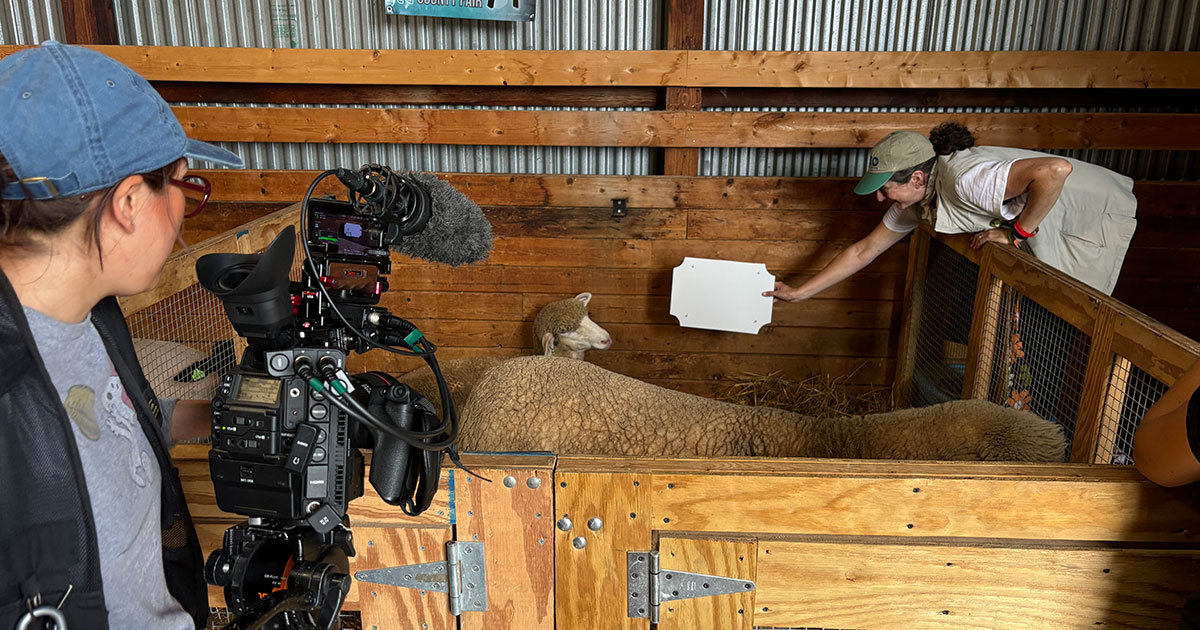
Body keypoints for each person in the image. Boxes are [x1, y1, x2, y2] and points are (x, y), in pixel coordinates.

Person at [0, 42, 243, 629]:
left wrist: (238, 415)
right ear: (130, 201)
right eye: (184, 185)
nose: (185, 209)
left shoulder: (94, 316)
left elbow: (96, 415)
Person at [764, 121, 1138, 302]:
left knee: (1083, 312)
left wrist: (1015, 234)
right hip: (1052, 223)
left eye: (885, 189)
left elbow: (1054, 171)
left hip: (1093, 218)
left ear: (914, 179)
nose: (879, 199)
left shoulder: (964, 179)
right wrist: (800, 293)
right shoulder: (919, 200)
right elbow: (865, 250)